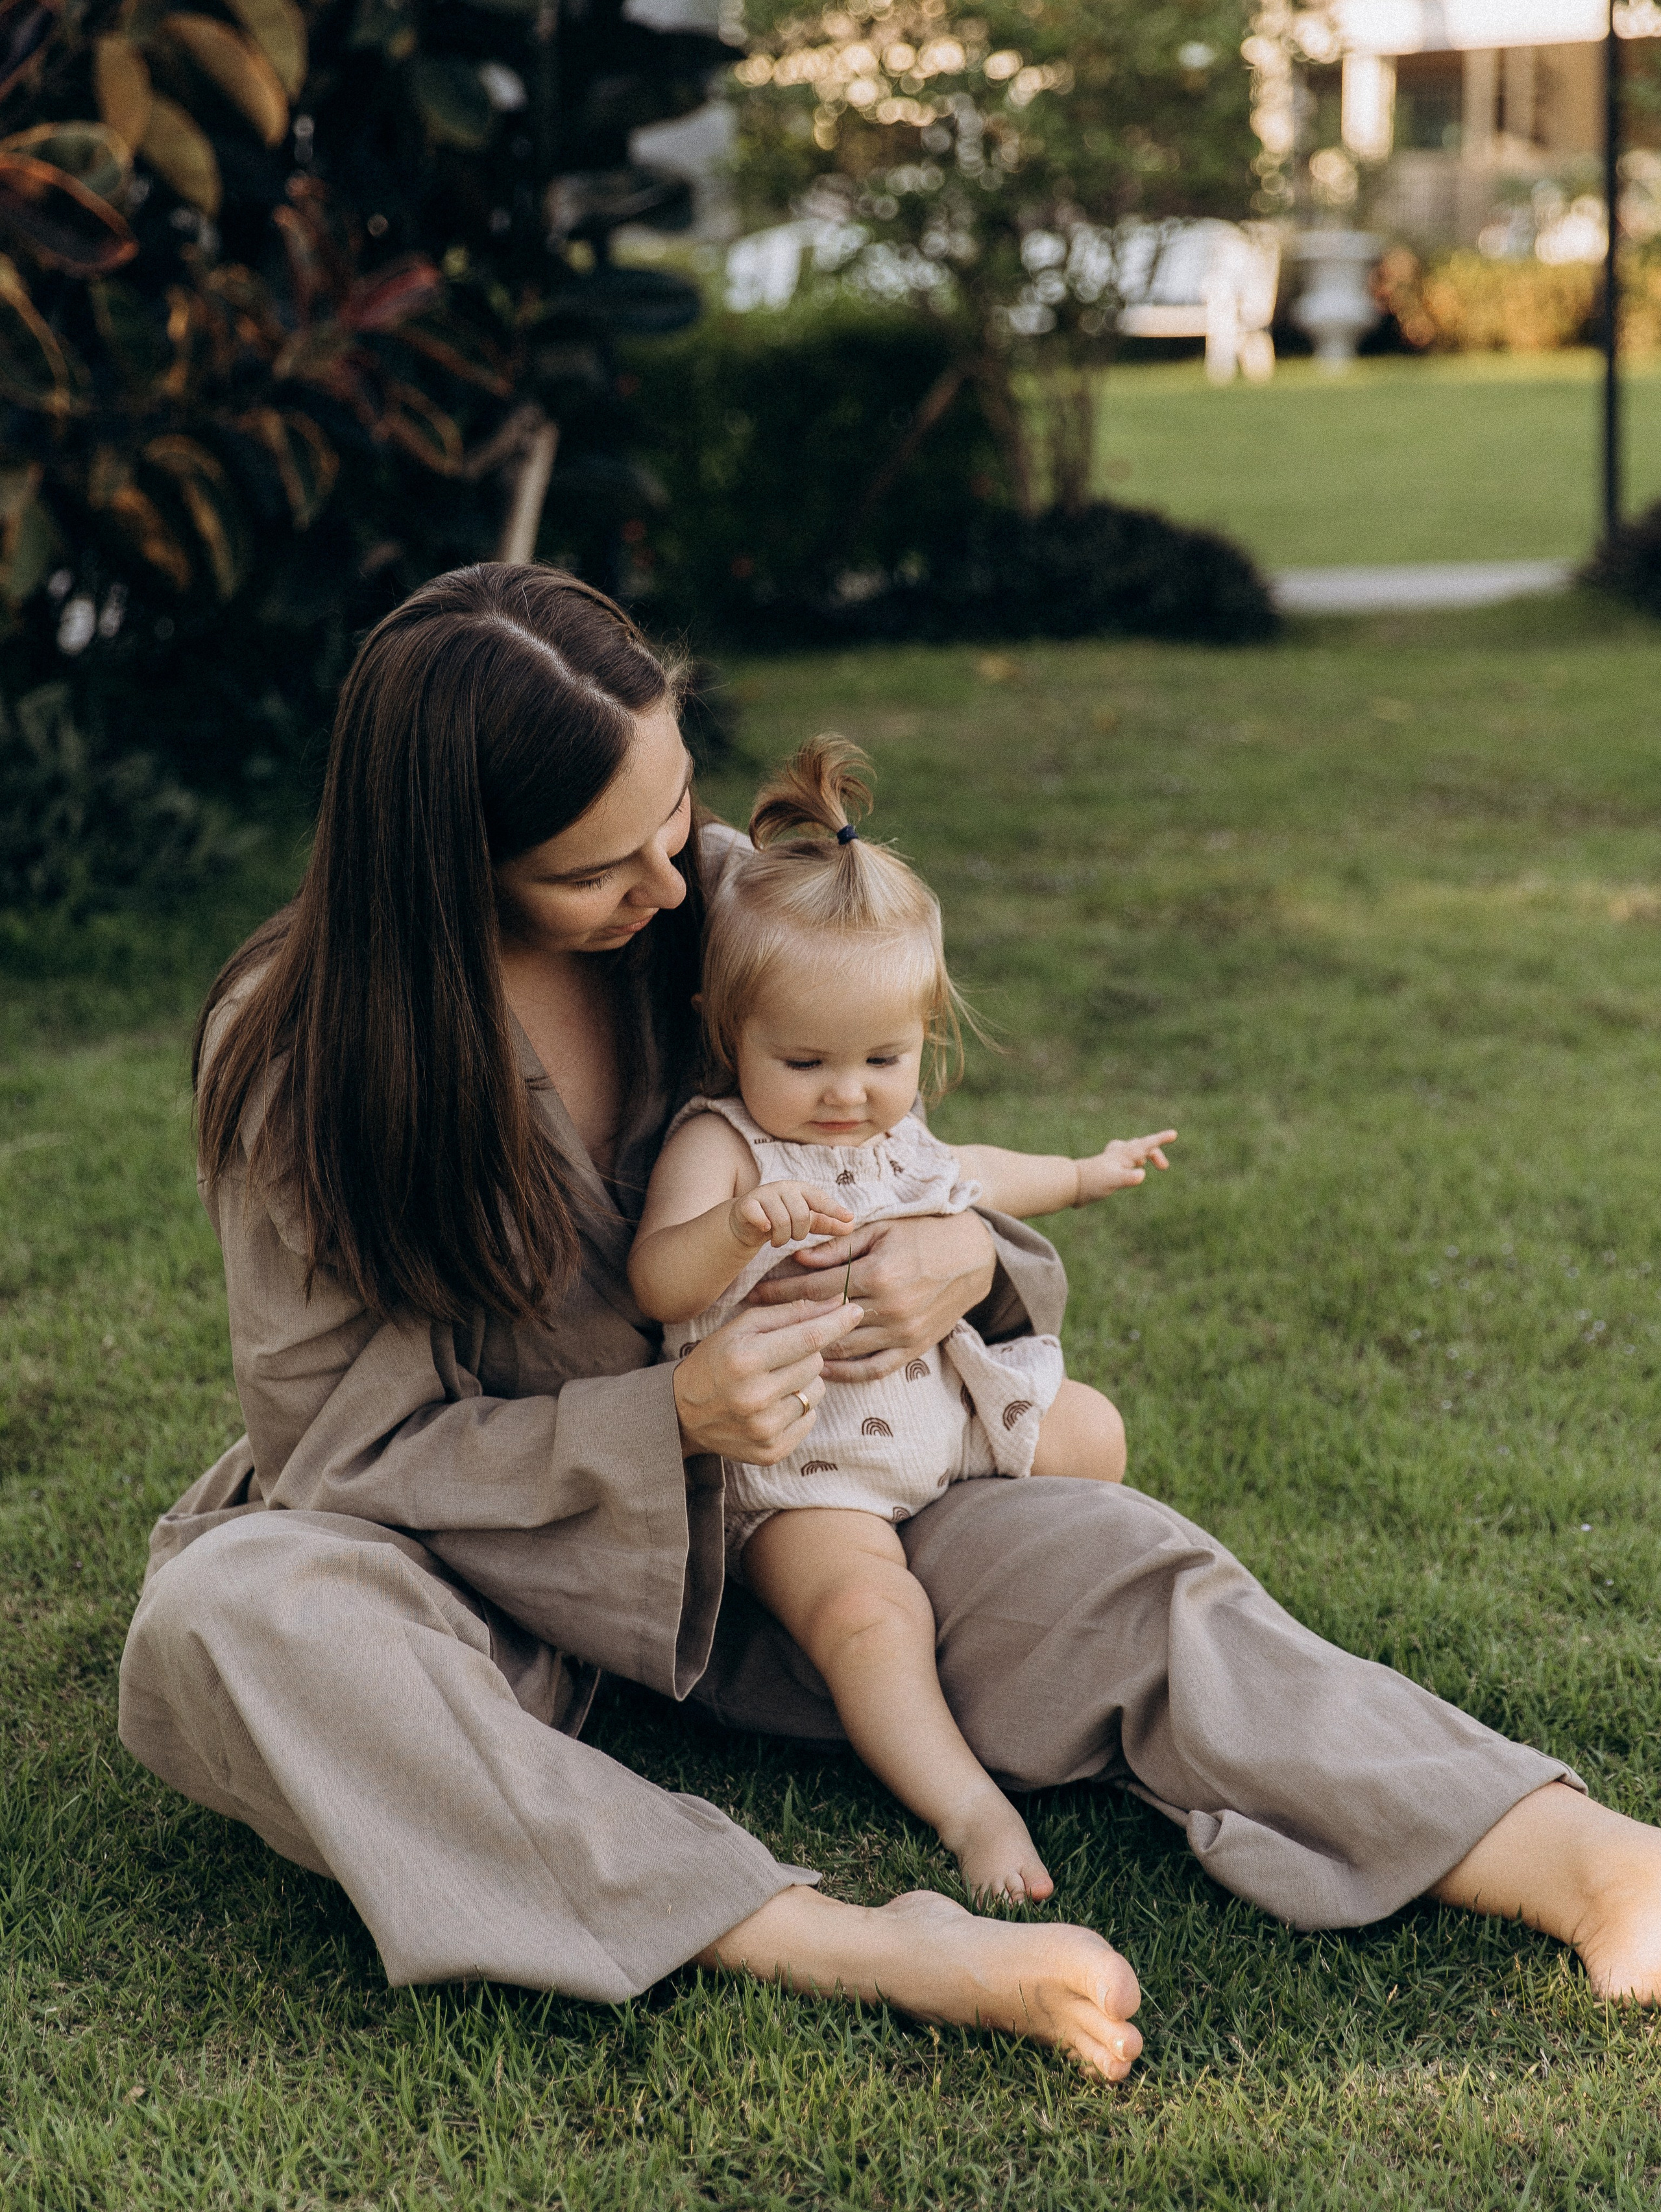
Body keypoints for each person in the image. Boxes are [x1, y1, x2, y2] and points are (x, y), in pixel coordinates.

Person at [118, 564, 1661, 2091]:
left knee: (1126, 1569)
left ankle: (1582, 1857)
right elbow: (339, 1452)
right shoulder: (301, 1053)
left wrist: (951, 1255)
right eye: (603, 872)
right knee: (240, 1615)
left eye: (673, 818)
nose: (671, 881)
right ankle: (843, 1938)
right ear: (449, 870)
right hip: (473, 1569)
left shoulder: (725, 908)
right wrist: (666, 1417)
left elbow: (910, 1161)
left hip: (808, 1517)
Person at [629, 734, 1176, 1905]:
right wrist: (733, 1229)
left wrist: (1085, 1169)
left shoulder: (890, 1130)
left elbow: (971, 1170)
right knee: (867, 1612)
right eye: (807, 1059)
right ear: (730, 1037)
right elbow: (656, 1285)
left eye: (885, 1055)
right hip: (806, 1469)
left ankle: (1059, 1634)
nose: (849, 1093)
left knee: (1095, 1431)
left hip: (941, 1415)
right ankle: (965, 1802)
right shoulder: (724, 1144)